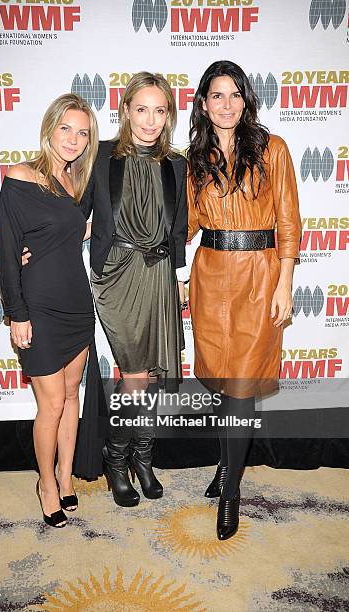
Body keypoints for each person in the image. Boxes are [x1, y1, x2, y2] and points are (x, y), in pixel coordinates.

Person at [23, 72, 188, 507]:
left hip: (160, 275)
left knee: (152, 378)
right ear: (126, 111)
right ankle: (118, 462)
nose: (150, 120)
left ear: (168, 114)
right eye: (141, 109)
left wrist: (181, 278)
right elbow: (67, 211)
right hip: (117, 275)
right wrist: (30, 245)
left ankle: (143, 460)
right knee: (135, 376)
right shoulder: (104, 158)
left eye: (159, 110)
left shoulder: (176, 163)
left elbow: (180, 227)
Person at [187, 61, 301, 540]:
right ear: (204, 103)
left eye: (235, 95)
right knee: (221, 385)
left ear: (246, 100)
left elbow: (289, 221)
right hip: (211, 278)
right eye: (217, 95)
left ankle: (230, 493)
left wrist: (285, 282)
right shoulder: (195, 157)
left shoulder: (272, 149)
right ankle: (226, 467)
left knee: (240, 389)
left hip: (260, 277)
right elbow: (186, 223)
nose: (227, 104)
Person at [0, 93, 103, 528]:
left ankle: (66, 474)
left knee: (72, 394)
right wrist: (16, 313)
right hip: (37, 307)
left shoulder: (75, 185)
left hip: (78, 304)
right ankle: (45, 483)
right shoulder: (20, 177)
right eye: (66, 128)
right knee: (53, 403)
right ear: (49, 128)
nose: (73, 139)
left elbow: (71, 231)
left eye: (82, 133)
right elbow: (7, 253)